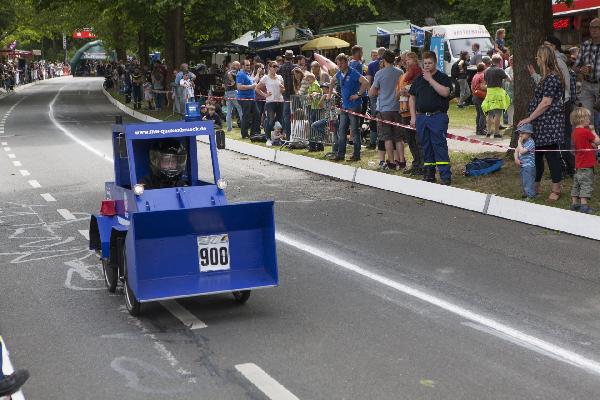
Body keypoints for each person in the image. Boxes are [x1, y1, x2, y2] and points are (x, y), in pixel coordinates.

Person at [517, 45, 565, 202]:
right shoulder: (546, 77)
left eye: (538, 57)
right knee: (536, 156)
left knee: (552, 157)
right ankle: (534, 186)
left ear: (543, 58)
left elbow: (546, 102)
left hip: (549, 124)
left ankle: (556, 189)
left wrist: (530, 118)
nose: (536, 60)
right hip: (541, 123)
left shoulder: (553, 77)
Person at [409, 51, 453, 185]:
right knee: (425, 146)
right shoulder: (418, 79)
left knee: (439, 145)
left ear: (435, 63)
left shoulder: (442, 77)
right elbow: (412, 97)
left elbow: (445, 92)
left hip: (437, 116)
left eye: (430, 63)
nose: (427, 65)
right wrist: (413, 117)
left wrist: (430, 79)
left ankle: (445, 175)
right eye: (425, 63)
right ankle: (429, 173)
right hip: (422, 117)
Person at [329, 53, 370, 162]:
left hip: (354, 106)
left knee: (355, 131)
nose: (340, 65)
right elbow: (332, 81)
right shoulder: (339, 73)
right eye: (338, 63)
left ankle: (356, 155)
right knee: (341, 131)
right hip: (344, 107)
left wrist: (358, 94)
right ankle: (340, 155)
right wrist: (329, 94)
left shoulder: (353, 72)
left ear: (346, 62)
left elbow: (365, 82)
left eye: (342, 62)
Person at [369, 50, 405, 170]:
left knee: (387, 137)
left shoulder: (379, 73)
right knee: (399, 137)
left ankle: (391, 161)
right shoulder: (400, 72)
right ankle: (401, 160)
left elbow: (372, 93)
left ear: (383, 60)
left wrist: (378, 90)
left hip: (384, 109)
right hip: (397, 108)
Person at [397, 52, 423, 174]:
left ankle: (422, 166)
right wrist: (401, 93)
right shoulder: (403, 76)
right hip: (404, 112)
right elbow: (397, 93)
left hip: (415, 112)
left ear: (414, 59)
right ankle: (416, 163)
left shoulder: (418, 72)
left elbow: (421, 92)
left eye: (408, 59)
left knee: (418, 141)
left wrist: (409, 93)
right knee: (410, 141)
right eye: (404, 60)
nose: (405, 62)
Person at [569, 107, 600, 213]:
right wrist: (593, 131)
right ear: (582, 119)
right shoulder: (586, 132)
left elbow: (584, 143)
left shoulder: (575, 132)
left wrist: (591, 144)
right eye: (588, 117)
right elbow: (597, 141)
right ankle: (584, 206)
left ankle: (574, 203)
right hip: (587, 164)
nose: (589, 120)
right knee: (586, 184)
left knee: (577, 183)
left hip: (578, 163)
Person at [573, 18, 600, 116]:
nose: (594, 29)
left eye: (597, 27)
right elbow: (574, 67)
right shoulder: (584, 45)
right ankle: (590, 131)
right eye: (592, 27)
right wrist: (580, 69)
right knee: (586, 117)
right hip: (587, 85)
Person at [482, 54, 510, 138]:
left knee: (489, 114)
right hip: (497, 93)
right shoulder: (499, 70)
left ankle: (489, 131)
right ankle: (497, 132)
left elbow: (485, 83)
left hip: (489, 93)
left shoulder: (486, 70)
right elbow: (508, 79)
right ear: (500, 61)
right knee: (498, 113)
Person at [257, 61, 285, 142]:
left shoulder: (280, 77)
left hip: (280, 101)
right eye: (274, 66)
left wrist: (282, 88)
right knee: (270, 120)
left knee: (280, 120)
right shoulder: (266, 77)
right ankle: (268, 138)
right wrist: (265, 95)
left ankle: (279, 138)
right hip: (270, 102)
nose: (276, 68)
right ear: (269, 67)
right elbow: (257, 88)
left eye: (277, 66)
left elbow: (283, 90)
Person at [236, 59, 261, 139]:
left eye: (249, 65)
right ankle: (244, 134)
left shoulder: (248, 74)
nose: (248, 66)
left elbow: (254, 80)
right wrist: (251, 87)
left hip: (251, 98)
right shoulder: (241, 74)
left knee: (257, 114)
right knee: (246, 116)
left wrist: (258, 72)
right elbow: (239, 86)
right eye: (247, 65)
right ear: (242, 66)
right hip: (244, 98)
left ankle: (254, 133)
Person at [513, 123, 537, 200]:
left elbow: (522, 151)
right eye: (520, 133)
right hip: (522, 165)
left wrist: (519, 143)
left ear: (529, 133)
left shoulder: (531, 142)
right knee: (523, 180)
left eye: (523, 133)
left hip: (529, 166)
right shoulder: (523, 141)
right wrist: (516, 159)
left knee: (528, 180)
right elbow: (516, 150)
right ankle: (526, 193)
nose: (520, 135)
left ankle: (531, 195)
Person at [279, 50, 298, 139]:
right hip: (295, 94)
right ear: (292, 58)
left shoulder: (280, 68)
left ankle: (287, 135)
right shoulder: (296, 67)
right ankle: (294, 135)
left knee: (286, 116)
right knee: (296, 115)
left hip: (284, 94)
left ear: (285, 58)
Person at [471, 63, 487, 136]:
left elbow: (471, 87)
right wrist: (490, 86)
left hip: (475, 96)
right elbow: (483, 87)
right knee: (482, 114)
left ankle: (478, 129)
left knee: (479, 114)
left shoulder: (475, 75)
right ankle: (481, 130)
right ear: (484, 68)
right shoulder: (482, 75)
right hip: (481, 97)